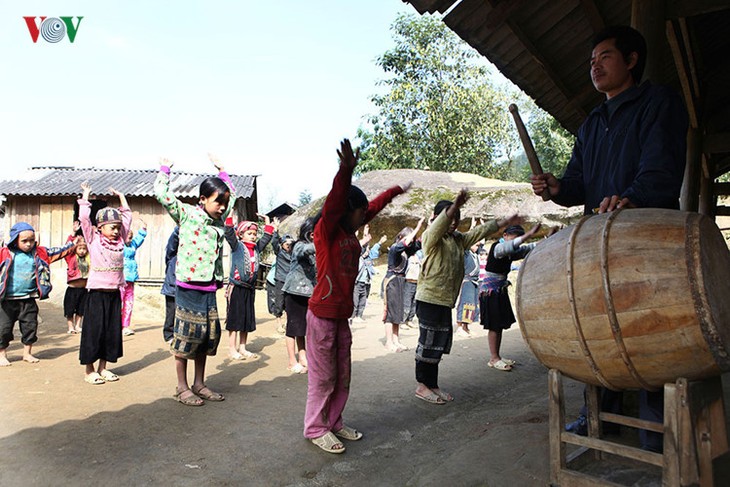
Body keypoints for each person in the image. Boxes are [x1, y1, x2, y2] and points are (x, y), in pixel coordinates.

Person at [530, 25, 688, 452]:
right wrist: (559, 187)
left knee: (648, 330)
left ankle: (656, 429)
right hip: (596, 245)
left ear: (632, 60)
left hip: (644, 241)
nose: (594, 66)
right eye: (591, 61)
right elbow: (580, 183)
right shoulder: (592, 123)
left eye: (605, 57)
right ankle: (597, 413)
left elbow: (661, 169)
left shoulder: (659, 103)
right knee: (597, 334)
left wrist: (633, 200)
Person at [304, 138, 409, 454]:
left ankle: (334, 422)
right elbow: (336, 201)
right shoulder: (327, 231)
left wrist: (394, 191)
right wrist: (346, 170)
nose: (365, 217)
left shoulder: (350, 232)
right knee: (322, 378)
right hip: (321, 316)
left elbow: (373, 206)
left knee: (342, 376)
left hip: (340, 319)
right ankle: (315, 428)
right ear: (346, 212)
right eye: (359, 212)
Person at [414, 191, 519, 404]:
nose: (453, 223)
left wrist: (504, 221)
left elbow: (479, 231)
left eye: (457, 219)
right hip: (429, 299)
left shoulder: (457, 240)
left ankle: (433, 385)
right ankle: (422, 386)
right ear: (437, 218)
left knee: (438, 345)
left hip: (444, 301)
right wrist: (453, 207)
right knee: (428, 344)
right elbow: (438, 226)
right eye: (450, 218)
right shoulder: (431, 237)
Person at [154, 154, 235, 406]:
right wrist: (165, 169)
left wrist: (223, 170)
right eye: (217, 202)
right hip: (188, 286)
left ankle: (199, 383)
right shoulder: (187, 215)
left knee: (206, 337)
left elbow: (231, 197)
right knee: (185, 336)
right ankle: (182, 386)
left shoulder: (219, 222)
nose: (222, 207)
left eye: (224, 203)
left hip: (210, 286)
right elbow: (161, 194)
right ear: (202, 199)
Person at [78, 183, 132, 384]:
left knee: (111, 333)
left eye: (118, 227)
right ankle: (89, 370)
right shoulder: (93, 240)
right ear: (100, 228)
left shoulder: (120, 241)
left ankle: (103, 368)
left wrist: (122, 197)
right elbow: (84, 218)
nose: (117, 231)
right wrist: (86, 195)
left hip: (113, 294)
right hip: (96, 294)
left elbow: (127, 217)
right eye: (113, 227)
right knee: (94, 332)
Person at [0, 223, 75, 366]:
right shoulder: (4, 253)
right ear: (15, 239)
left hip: (29, 299)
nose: (29, 244)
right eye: (24, 241)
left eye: (32, 240)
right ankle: (2, 354)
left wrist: (73, 243)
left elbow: (59, 251)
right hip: (6, 300)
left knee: (30, 327)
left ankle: (27, 353)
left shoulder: (40, 253)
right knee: (3, 329)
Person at [479, 224, 540, 370]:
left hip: (499, 290)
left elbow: (528, 248)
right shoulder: (497, 247)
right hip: (491, 292)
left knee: (499, 324)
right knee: (494, 325)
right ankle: (493, 358)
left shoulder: (511, 250)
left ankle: (497, 356)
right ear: (504, 235)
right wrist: (529, 233)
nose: (518, 241)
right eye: (515, 238)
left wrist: (549, 238)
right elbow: (510, 247)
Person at [224, 216, 274, 360]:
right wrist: (228, 221)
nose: (253, 237)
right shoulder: (237, 246)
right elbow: (229, 234)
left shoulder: (256, 248)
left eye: (254, 234)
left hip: (249, 289)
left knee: (246, 318)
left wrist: (267, 224)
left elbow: (265, 238)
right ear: (240, 234)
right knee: (235, 319)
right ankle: (232, 349)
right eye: (249, 234)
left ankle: (243, 347)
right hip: (237, 288)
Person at [281, 216, 319, 373]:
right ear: (311, 234)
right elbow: (305, 250)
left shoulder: (313, 250)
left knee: (303, 328)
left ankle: (303, 358)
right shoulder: (299, 246)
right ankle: (292, 361)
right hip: (294, 293)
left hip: (308, 293)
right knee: (293, 327)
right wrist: (322, 242)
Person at [382, 219, 423, 352]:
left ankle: (396, 340)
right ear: (400, 237)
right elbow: (405, 242)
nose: (410, 242)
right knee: (390, 313)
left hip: (401, 282)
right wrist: (416, 228)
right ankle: (389, 342)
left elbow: (421, 242)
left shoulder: (407, 251)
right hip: (392, 281)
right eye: (408, 238)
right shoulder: (395, 248)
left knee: (398, 313)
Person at [352, 226, 385, 323]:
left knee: (363, 300)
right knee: (355, 300)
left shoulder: (368, 259)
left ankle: (359, 315)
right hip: (357, 282)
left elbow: (371, 249)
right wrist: (365, 234)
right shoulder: (358, 258)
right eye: (365, 251)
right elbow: (360, 245)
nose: (367, 252)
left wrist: (379, 243)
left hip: (366, 282)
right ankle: (353, 316)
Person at [121, 221, 147, 336]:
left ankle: (125, 326)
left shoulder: (132, 245)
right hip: (121, 279)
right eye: (128, 237)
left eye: (131, 237)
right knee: (119, 303)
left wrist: (143, 230)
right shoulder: (119, 246)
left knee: (129, 303)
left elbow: (139, 240)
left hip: (131, 279)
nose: (130, 240)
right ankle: (116, 325)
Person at [64, 222, 89, 334]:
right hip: (72, 289)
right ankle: (70, 327)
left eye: (84, 248)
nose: (82, 251)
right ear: (76, 249)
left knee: (81, 309)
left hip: (83, 289)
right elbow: (67, 248)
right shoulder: (71, 257)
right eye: (80, 248)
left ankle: (78, 325)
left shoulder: (89, 259)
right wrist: (73, 233)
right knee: (70, 309)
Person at [269, 225, 293, 333]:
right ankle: (278, 324)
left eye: (290, 243)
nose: (288, 245)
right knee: (279, 303)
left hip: (291, 283)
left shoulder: (295, 254)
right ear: (282, 244)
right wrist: (275, 230)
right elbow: (274, 242)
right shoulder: (279, 252)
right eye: (286, 243)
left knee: (289, 304)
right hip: (280, 280)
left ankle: (288, 323)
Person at [160, 227, 179, 344]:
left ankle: (180, 334)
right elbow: (172, 244)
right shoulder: (172, 256)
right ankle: (169, 335)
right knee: (171, 312)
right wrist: (178, 231)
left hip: (185, 288)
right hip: (172, 287)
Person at [402, 243, 422, 329]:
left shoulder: (419, 257)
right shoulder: (407, 258)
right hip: (408, 282)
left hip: (417, 282)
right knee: (406, 302)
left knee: (414, 303)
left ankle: (410, 320)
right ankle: (402, 321)